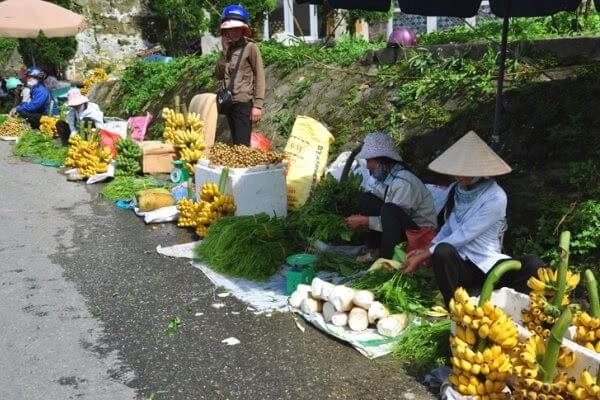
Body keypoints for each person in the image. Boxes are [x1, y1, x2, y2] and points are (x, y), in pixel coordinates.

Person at [403, 131, 541, 306]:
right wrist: (428, 248)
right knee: (443, 251)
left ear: (479, 172)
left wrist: (424, 255)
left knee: (532, 264)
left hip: (488, 264)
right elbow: (449, 227)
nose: (456, 175)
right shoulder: (456, 190)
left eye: (463, 171)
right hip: (462, 265)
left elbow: (465, 234)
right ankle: (455, 307)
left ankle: (513, 303)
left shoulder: (496, 197)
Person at [345, 132, 438, 260]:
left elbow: (393, 220)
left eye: (369, 161)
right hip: (403, 227)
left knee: (389, 210)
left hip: (420, 236)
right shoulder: (390, 178)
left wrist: (365, 221)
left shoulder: (403, 182)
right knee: (367, 199)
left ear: (381, 161)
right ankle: (373, 250)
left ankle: (386, 258)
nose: (367, 166)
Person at [214, 4, 265, 146]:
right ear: (226, 31)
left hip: (243, 104)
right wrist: (224, 54)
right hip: (229, 103)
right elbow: (218, 75)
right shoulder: (227, 50)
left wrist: (258, 105)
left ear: (243, 29)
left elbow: (260, 75)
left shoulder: (251, 48)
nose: (234, 32)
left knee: (242, 145)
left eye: (237, 28)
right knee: (236, 144)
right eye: (231, 29)